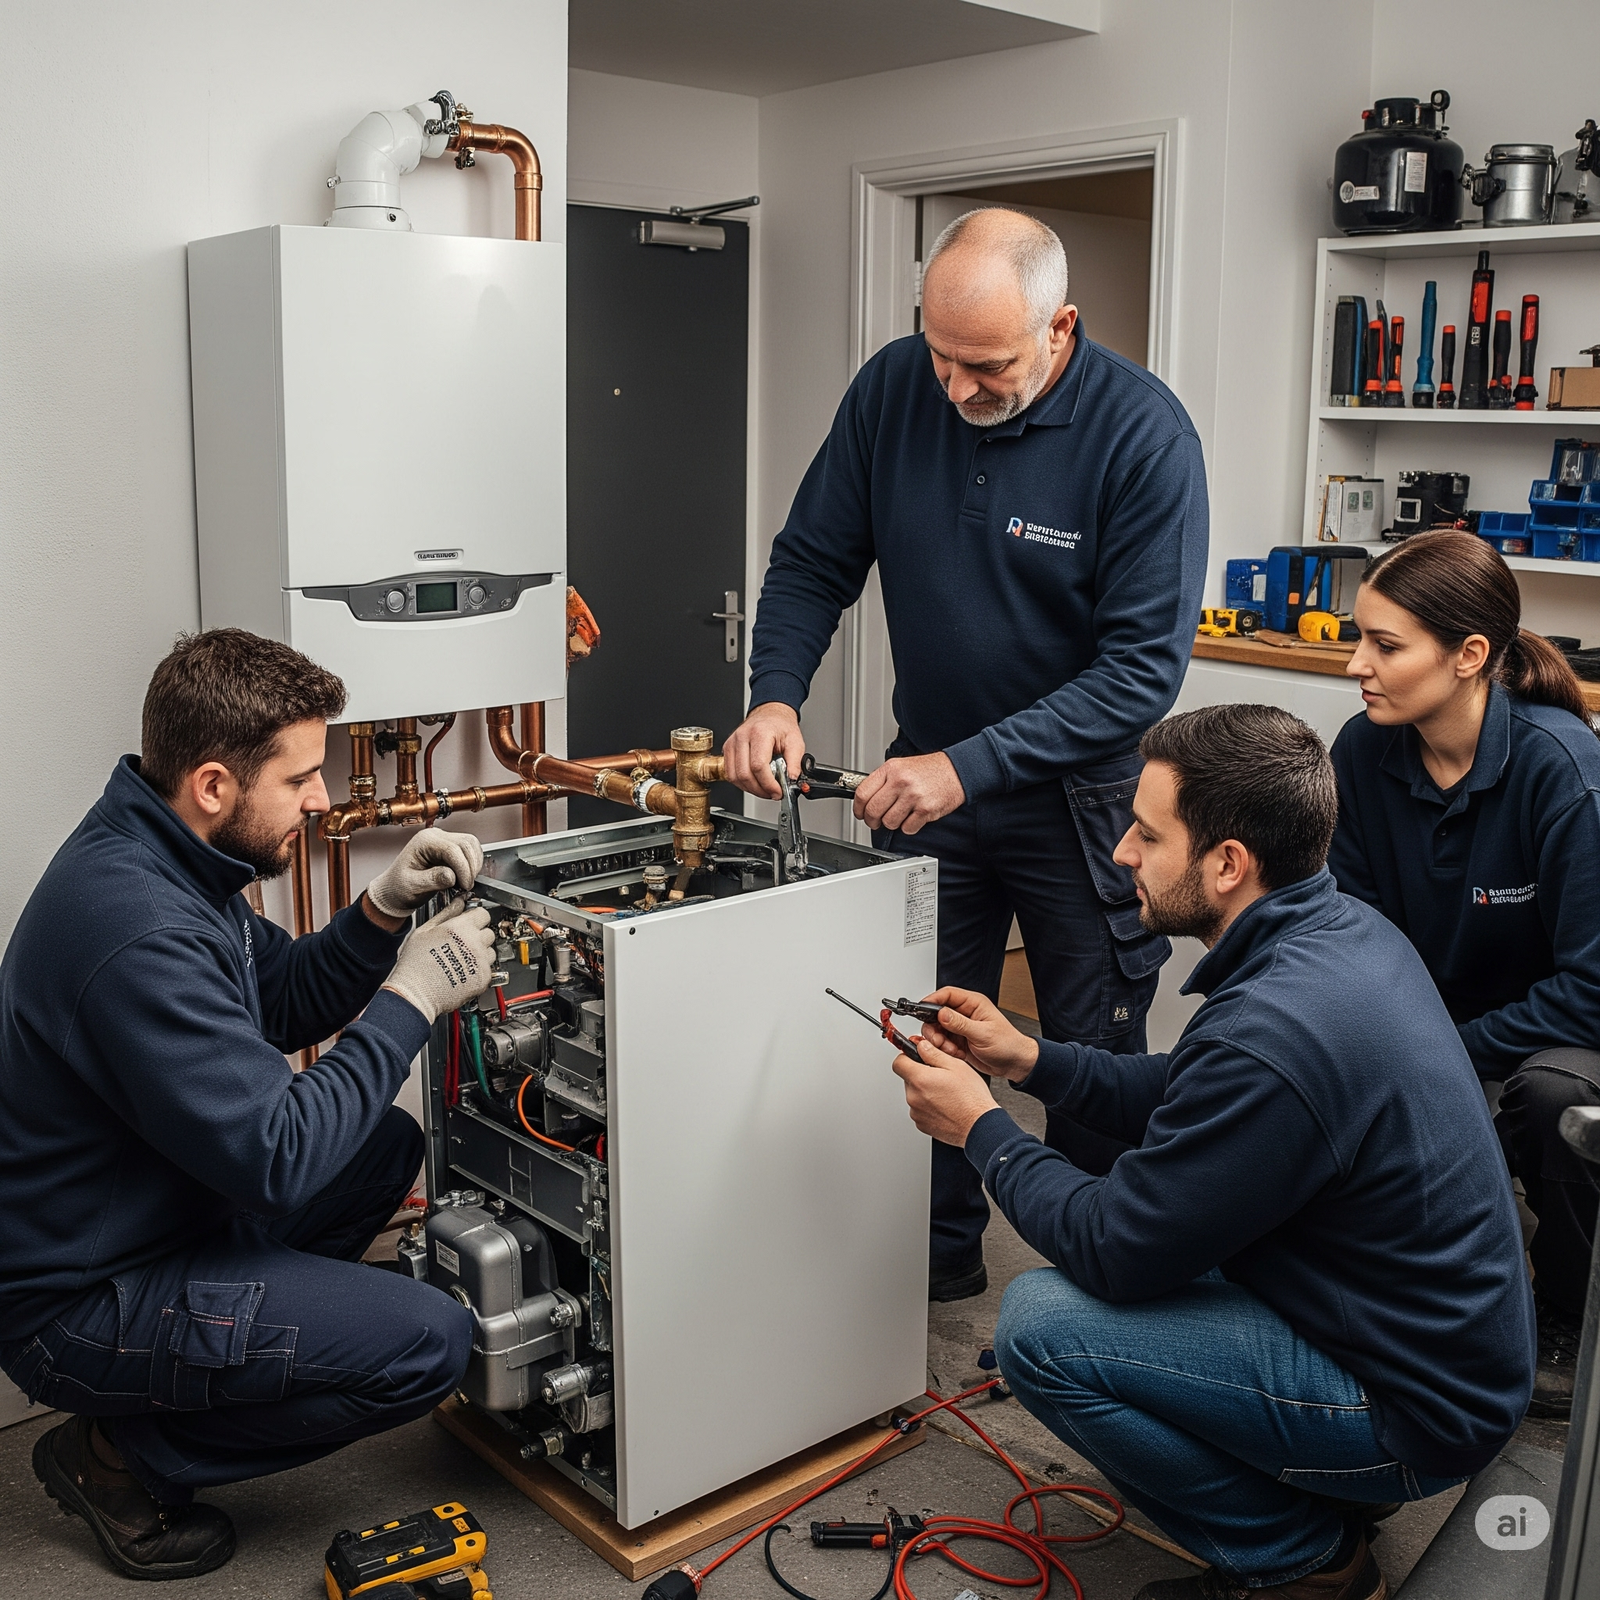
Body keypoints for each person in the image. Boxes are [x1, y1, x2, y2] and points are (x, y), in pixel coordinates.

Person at [889, 703, 1534, 1600]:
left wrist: (980, 1130)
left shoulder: (1277, 1028)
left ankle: (1302, 1563)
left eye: (1148, 836)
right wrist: (1029, 1060)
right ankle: (1310, 1483)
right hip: (1425, 1344)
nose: (1122, 853)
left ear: (1228, 863)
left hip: (1412, 1411)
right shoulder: (1335, 932)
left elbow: (1116, 1249)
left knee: (1042, 1329)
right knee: (1160, 1261)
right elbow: (1193, 1093)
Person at [723, 206, 1209, 1300]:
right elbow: (809, 563)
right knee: (919, 1029)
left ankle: (1103, 1308)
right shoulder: (894, 388)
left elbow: (1139, 676)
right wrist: (774, 698)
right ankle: (932, 1271)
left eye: (984, 366)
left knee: (1087, 1064)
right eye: (940, 355)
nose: (954, 389)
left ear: (1060, 327)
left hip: (1088, 810)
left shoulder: (1144, 438)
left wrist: (967, 763)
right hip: (930, 792)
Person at [0, 629, 499, 1582]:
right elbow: (279, 1156)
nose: (322, 800)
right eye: (302, 778)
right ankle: (117, 1456)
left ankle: (219, 1355)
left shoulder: (173, 856)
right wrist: (412, 999)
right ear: (217, 785)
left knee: (382, 1143)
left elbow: (280, 999)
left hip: (161, 1214)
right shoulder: (134, 926)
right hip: (82, 1299)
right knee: (428, 1343)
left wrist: (382, 910)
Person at [1327, 528, 1600, 1421]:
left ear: (1471, 656)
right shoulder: (1362, 754)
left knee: (1553, 1102)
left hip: (1558, 1037)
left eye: (1386, 645)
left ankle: (1565, 1317)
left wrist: (1447, 1051)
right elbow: (1355, 933)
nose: (1357, 664)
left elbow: (1593, 988)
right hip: (1431, 1024)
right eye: (1357, 637)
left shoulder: (1564, 771)